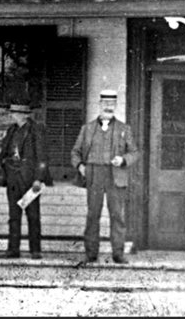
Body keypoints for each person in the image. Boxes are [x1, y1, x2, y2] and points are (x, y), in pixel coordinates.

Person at [70, 88, 138, 264]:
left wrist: (123, 160)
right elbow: (75, 152)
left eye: (112, 103)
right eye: (106, 103)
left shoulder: (124, 129)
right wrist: (80, 166)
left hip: (115, 175)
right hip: (94, 174)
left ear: (116, 105)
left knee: (117, 216)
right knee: (93, 215)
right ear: (99, 105)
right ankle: (91, 253)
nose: (109, 107)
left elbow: (135, 153)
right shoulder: (88, 129)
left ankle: (118, 254)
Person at [0, 101, 49, 260]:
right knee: (14, 216)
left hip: (29, 179)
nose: (14, 115)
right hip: (13, 179)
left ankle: (35, 250)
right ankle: (13, 249)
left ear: (24, 114)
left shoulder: (36, 130)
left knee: (33, 215)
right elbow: (4, 153)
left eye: (16, 112)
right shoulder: (12, 130)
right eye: (13, 112)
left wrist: (39, 178)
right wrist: (6, 166)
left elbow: (42, 156)